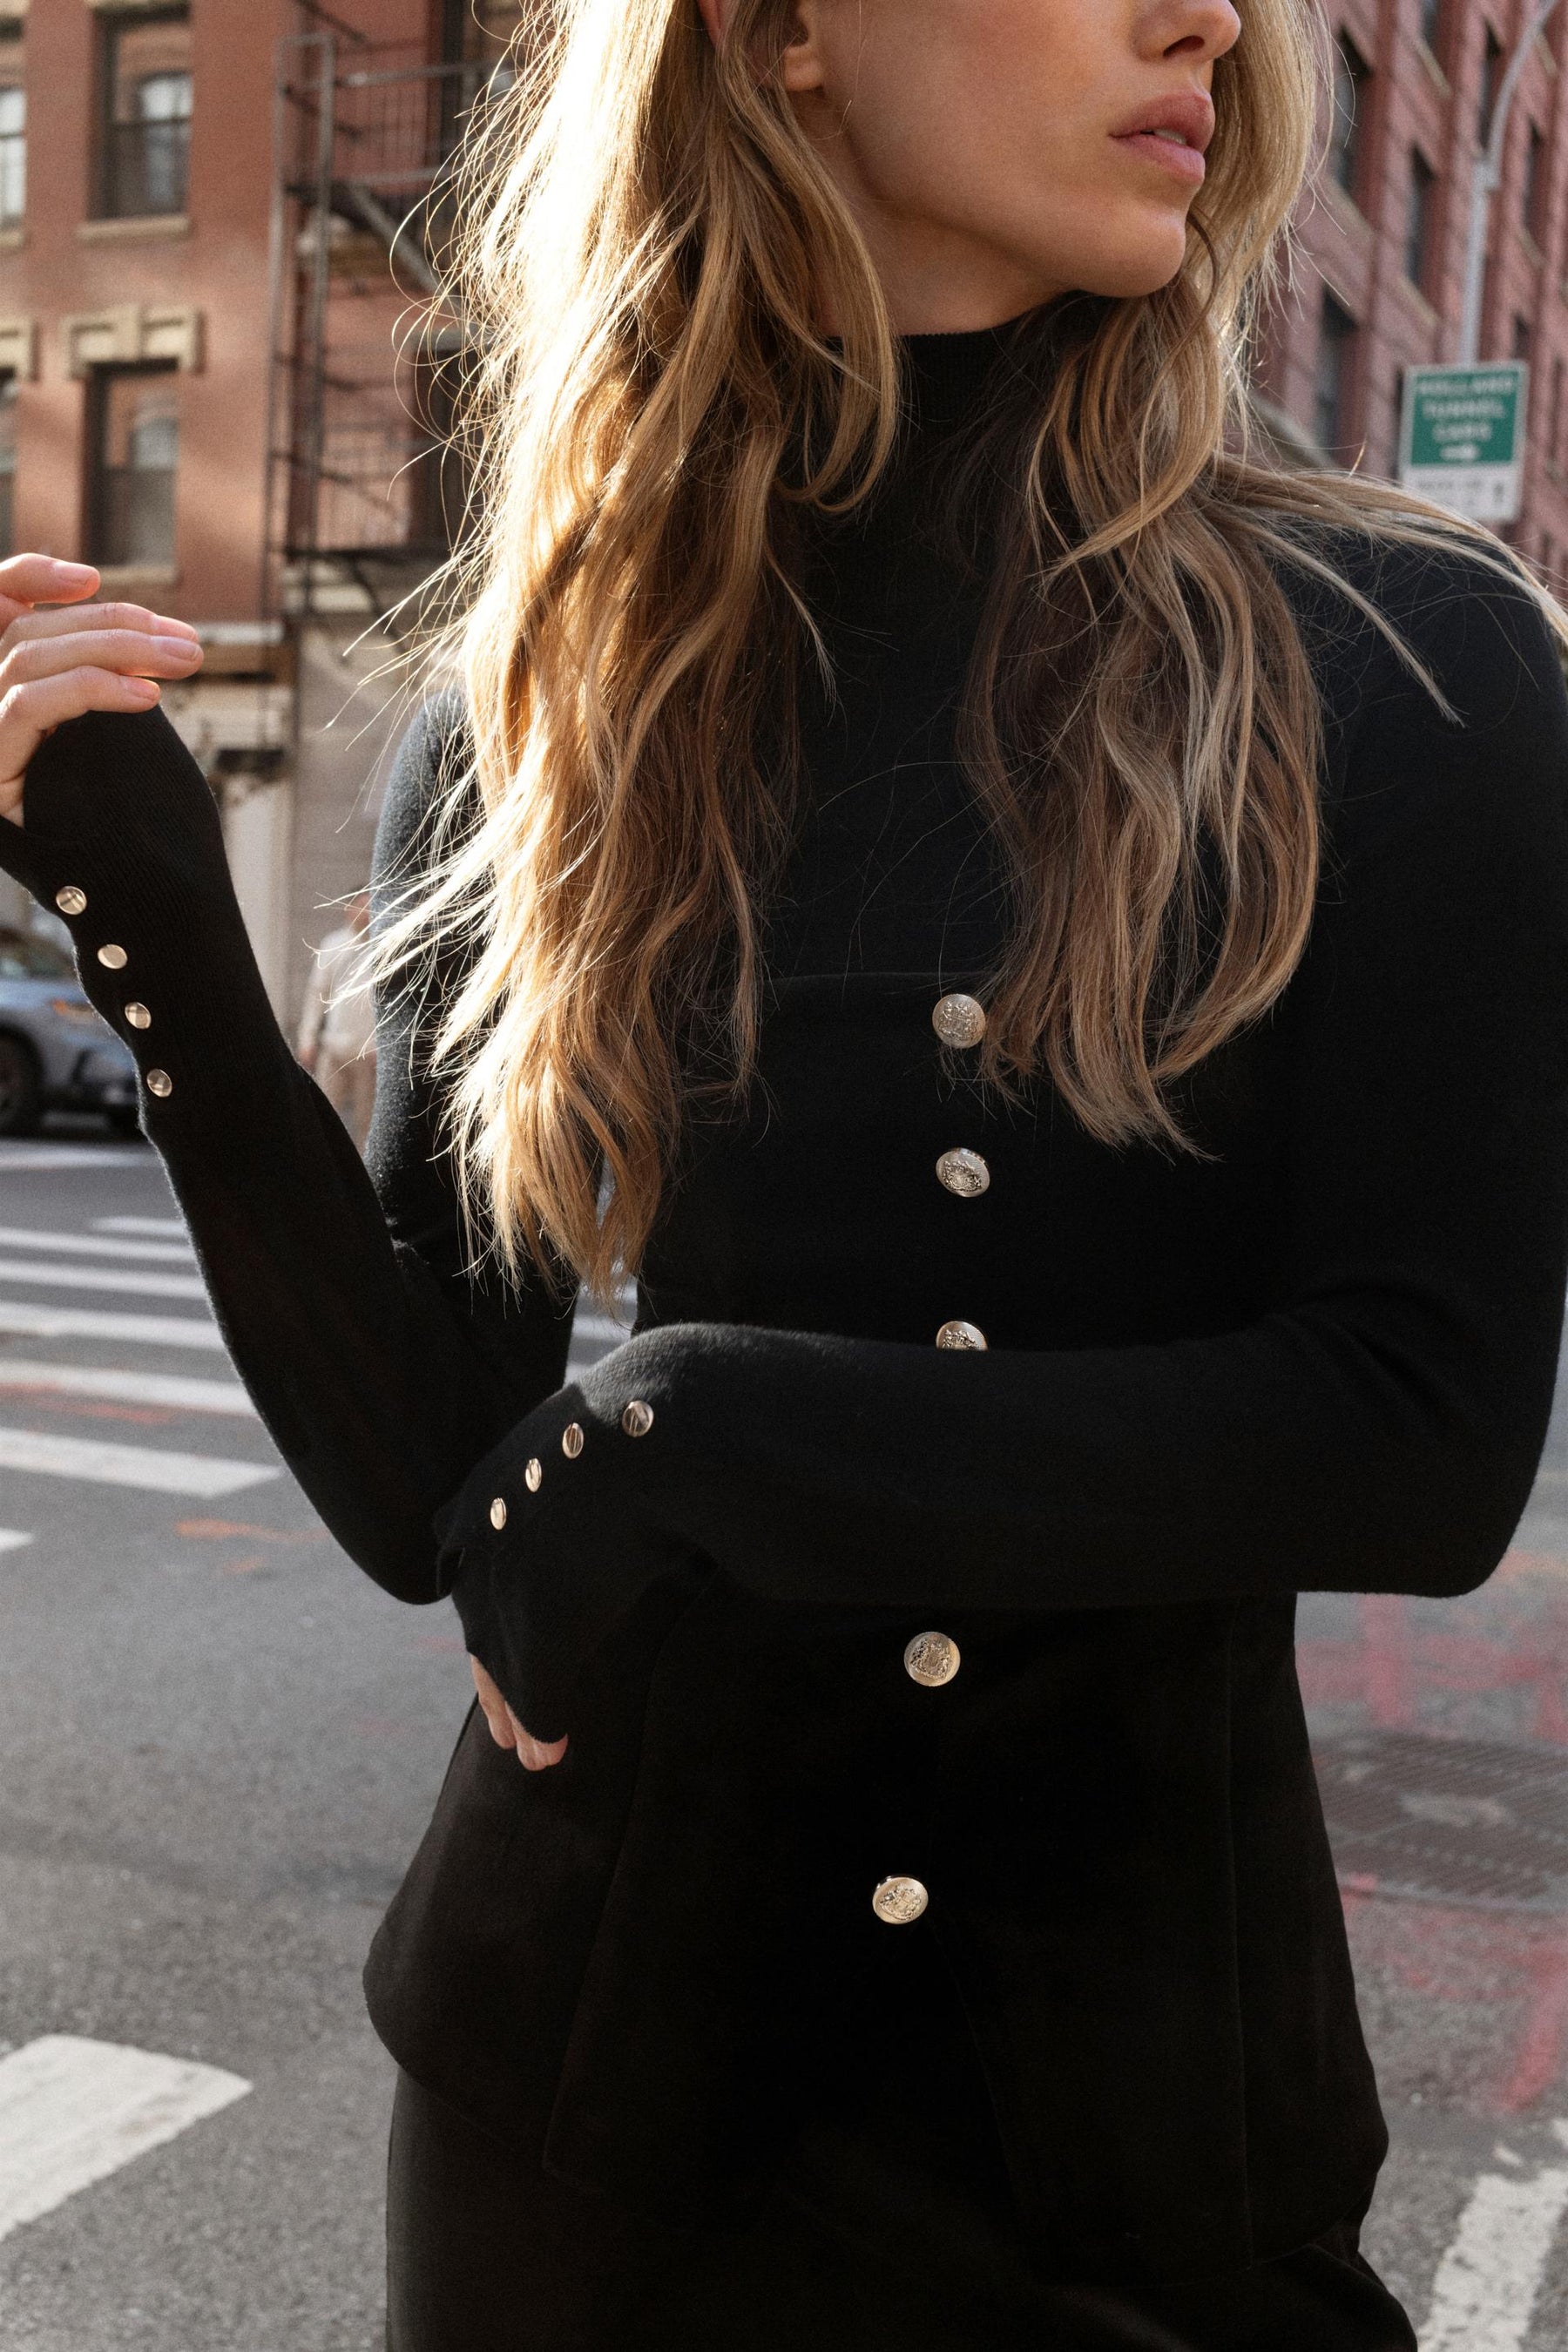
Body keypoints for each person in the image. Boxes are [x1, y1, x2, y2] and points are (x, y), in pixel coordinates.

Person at [0, 1, 1565, 2344]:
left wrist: (692, 1428)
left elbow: (1421, 1435)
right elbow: (434, 1475)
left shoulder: (1399, 656)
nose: (1211, 21)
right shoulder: (549, 693)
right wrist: (158, 937)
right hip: (577, 2114)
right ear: (784, 29)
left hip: (1140, 2145)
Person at [295, 890, 376, 1150]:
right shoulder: (333, 944)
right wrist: (307, 1039)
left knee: (367, 1121)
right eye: (360, 906)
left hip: (367, 1050)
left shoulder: (381, 946)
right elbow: (316, 995)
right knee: (324, 1115)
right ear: (348, 909)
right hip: (334, 1046)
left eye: (370, 907)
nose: (365, 913)